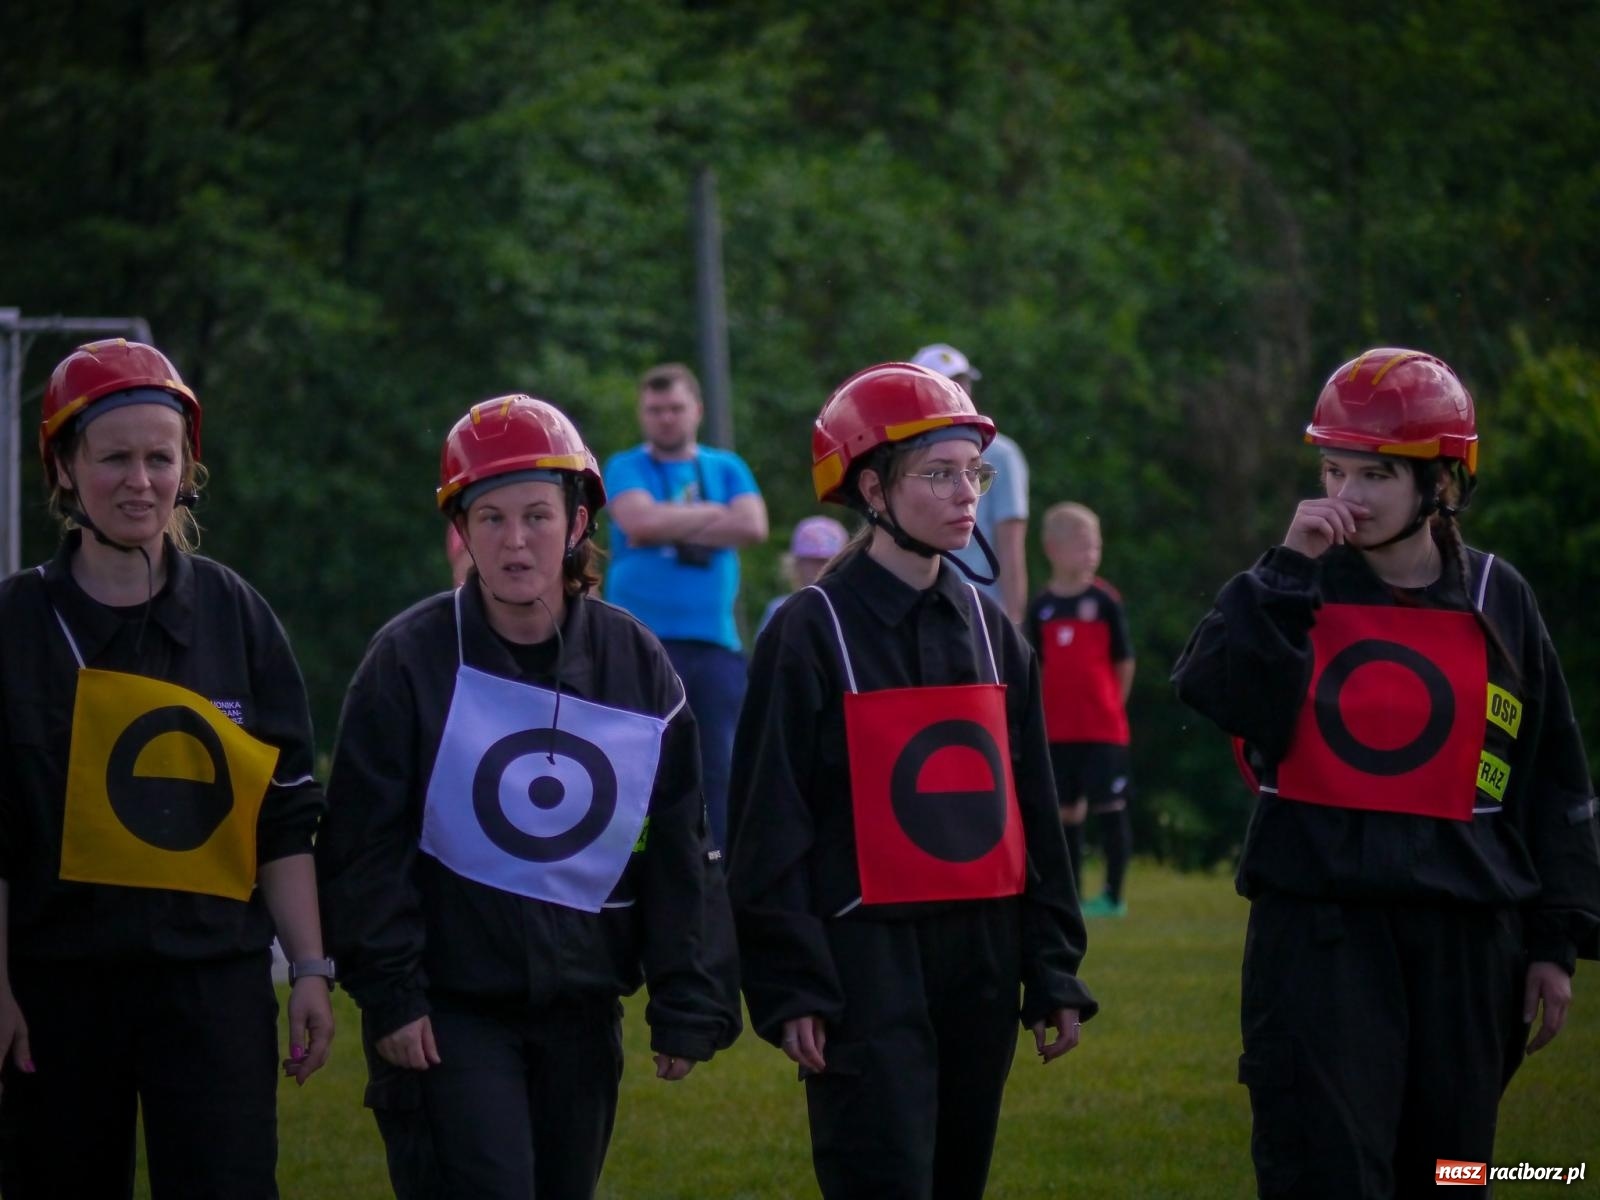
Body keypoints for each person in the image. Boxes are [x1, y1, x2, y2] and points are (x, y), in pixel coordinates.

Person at [1172, 347, 1600, 1198]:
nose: (1348, 496)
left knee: (1452, 1173)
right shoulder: (1291, 586)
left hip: (1466, 942)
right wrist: (1286, 571)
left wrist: (1555, 942)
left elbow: (1553, 774)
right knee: (1326, 1169)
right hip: (1320, 938)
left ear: (1440, 483)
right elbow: (1214, 688)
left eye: (1375, 474)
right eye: (1334, 470)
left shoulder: (1498, 596)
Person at [317, 393, 741, 1200]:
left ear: (577, 523)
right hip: (450, 1011)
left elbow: (676, 837)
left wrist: (689, 994)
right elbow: (364, 845)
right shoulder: (407, 661)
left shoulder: (635, 662)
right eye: (492, 518)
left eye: (538, 516)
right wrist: (393, 996)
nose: (516, 541)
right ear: (462, 529)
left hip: (582, 1010)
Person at [729, 362, 1097, 1200]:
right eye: (939, 473)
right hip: (865, 970)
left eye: (974, 473)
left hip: (981, 966)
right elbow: (768, 819)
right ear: (873, 488)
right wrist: (791, 982)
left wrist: (1052, 966)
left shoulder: (993, 630)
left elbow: (1034, 809)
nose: (967, 495)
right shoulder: (809, 630)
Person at [0, 339, 333, 1199]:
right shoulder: (16, 623)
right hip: (57, 990)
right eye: (113, 458)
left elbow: (283, 816)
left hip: (214, 987)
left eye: (160, 458)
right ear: (64, 468)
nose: (139, 482)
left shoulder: (236, 614)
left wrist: (309, 968)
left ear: (187, 468)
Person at [602, 362, 768, 854]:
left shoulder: (726, 467)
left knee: (719, 762)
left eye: (675, 408)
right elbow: (638, 521)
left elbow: (753, 525)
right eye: (655, 410)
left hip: (713, 643)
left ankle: (718, 862)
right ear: (642, 413)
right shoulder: (625, 466)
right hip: (640, 641)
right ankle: (634, 860)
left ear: (697, 410)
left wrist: (666, 522)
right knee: (638, 761)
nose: (666, 418)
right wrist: (715, 513)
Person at [1024, 502, 1136, 917]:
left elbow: (1124, 660)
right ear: (1053, 549)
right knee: (1066, 812)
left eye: (1096, 546)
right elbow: (1037, 666)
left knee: (1110, 808)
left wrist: (1111, 705)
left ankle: (1113, 895)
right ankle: (1070, 891)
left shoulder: (1104, 601)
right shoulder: (1041, 607)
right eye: (1083, 546)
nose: (1092, 554)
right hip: (1057, 730)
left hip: (1103, 728)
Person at [912, 343, 1029, 623]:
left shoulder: (1001, 454)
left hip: (981, 609)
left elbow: (1011, 544)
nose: (958, 391)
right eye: (947, 384)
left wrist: (1013, 622)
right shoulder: (903, 454)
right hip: (918, 606)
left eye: (962, 382)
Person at [755, 515, 850, 638]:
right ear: (796, 564)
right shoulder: (781, 610)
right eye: (812, 561)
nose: (821, 568)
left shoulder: (850, 611)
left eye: (828, 561)